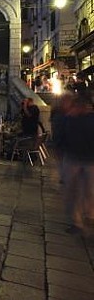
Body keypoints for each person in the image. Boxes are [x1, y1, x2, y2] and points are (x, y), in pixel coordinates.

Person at [54, 95, 94, 234]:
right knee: (74, 191)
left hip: (86, 159)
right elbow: (62, 135)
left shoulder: (79, 119)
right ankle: (78, 221)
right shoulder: (69, 118)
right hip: (73, 158)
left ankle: (88, 216)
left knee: (87, 190)